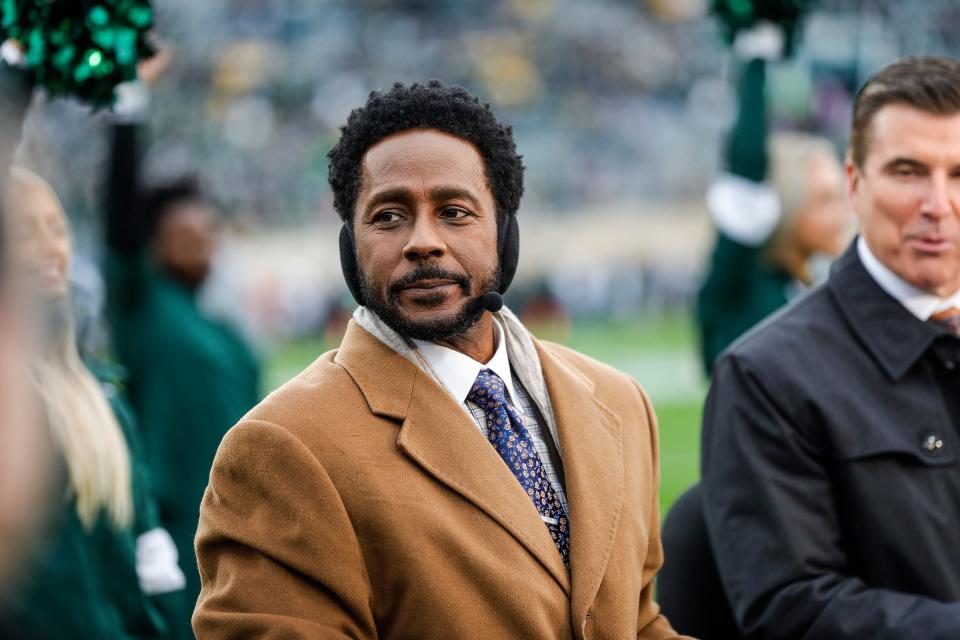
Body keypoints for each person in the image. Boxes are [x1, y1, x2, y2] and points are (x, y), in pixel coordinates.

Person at [193, 81, 691, 640]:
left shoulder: (619, 400)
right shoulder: (282, 447)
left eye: (454, 212)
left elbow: (638, 619)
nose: (422, 242)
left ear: (505, 235)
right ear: (348, 248)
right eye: (388, 216)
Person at [702, 56, 960, 639]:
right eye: (908, 171)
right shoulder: (765, 376)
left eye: (959, 173)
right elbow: (792, 611)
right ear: (854, 185)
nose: (938, 204)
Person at [103, 53, 260, 619]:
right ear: (154, 244)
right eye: (184, 233)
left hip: (248, 521)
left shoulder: (220, 324)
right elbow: (119, 217)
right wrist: (128, 109)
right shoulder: (144, 305)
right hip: (180, 529)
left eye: (208, 231)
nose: (202, 243)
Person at [3, 168, 187, 638]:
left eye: (58, 229)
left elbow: (150, 554)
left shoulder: (101, 396)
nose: (51, 249)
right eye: (25, 231)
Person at [696, 57, 851, 375]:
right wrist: (755, 61)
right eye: (824, 200)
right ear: (787, 204)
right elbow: (748, 168)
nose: (842, 214)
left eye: (840, 197)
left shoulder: (815, 287)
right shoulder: (742, 282)